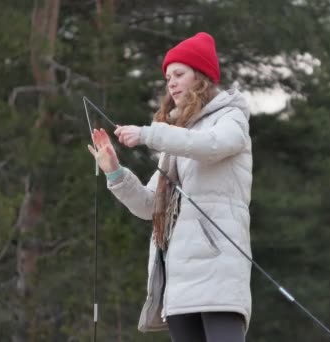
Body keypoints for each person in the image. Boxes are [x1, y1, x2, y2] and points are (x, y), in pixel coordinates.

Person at [87, 32, 253, 342]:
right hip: (177, 282)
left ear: (201, 77)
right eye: (167, 78)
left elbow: (213, 145)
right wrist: (114, 171)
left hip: (219, 273)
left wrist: (150, 134)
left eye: (179, 74)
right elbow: (150, 205)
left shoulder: (230, 118)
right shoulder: (175, 139)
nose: (171, 83)